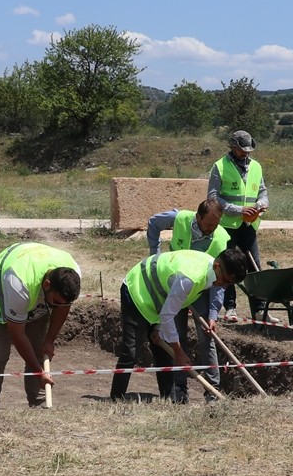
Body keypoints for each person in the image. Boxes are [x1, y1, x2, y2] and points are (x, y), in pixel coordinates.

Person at [110, 247, 251, 404]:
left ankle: (169, 400)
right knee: (131, 351)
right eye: (225, 281)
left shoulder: (212, 272)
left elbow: (169, 310)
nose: (223, 286)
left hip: (159, 301)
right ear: (217, 266)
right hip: (137, 290)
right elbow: (168, 315)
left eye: (229, 284)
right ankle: (116, 398)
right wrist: (178, 351)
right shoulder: (190, 278)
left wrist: (159, 329)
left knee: (163, 350)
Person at [0, 242, 82, 409]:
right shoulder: (19, 283)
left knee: (39, 350)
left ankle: (39, 406)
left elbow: (63, 307)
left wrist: (49, 340)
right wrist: (39, 373)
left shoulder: (71, 273)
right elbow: (17, 334)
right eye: (55, 302)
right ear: (47, 285)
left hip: (33, 293)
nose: (57, 306)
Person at [146, 198, 230, 396]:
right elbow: (154, 223)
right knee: (176, 336)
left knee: (207, 337)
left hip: (201, 288)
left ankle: (213, 391)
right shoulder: (180, 219)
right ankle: (179, 392)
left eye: (215, 225)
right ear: (198, 217)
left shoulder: (220, 239)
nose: (212, 229)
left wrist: (212, 313)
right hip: (176, 286)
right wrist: (154, 256)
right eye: (208, 225)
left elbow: (221, 281)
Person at [208, 130, 268, 321]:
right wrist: (237, 210)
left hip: (248, 226)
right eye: (242, 150)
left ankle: (259, 309)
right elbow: (213, 198)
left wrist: (261, 204)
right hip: (227, 226)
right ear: (233, 147)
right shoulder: (219, 166)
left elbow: (262, 191)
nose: (246, 154)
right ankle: (230, 308)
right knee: (228, 266)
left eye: (248, 150)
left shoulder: (256, 167)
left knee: (253, 266)